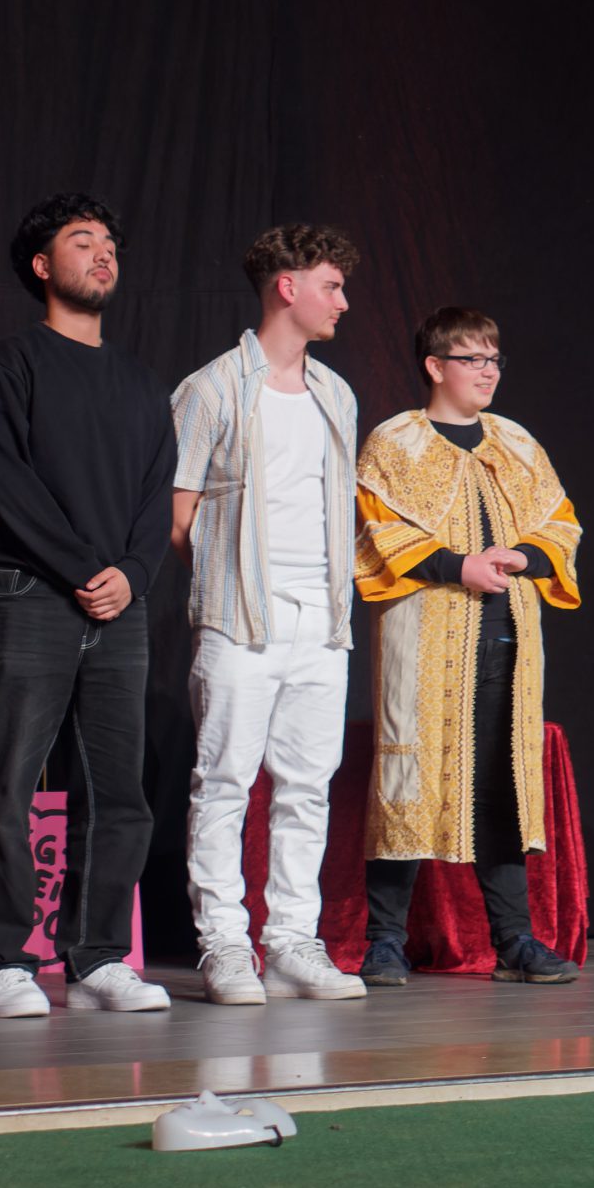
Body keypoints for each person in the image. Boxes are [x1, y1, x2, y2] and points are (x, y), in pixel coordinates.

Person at [0, 192, 175, 1017]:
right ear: (43, 265)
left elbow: (156, 495)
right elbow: (5, 485)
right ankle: (2, 960)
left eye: (110, 241)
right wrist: (87, 568)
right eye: (83, 241)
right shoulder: (6, 366)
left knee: (118, 792)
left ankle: (99, 957)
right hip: (29, 593)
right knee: (7, 782)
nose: (103, 252)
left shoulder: (142, 383)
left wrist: (134, 573)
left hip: (119, 605)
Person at [354, 307, 582, 986]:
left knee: (501, 782)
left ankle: (515, 940)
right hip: (426, 634)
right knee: (407, 775)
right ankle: (384, 941)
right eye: (472, 359)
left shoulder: (516, 442)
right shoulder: (396, 441)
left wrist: (525, 556)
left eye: (493, 360)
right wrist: (460, 567)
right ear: (435, 366)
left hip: (508, 638)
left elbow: (561, 521)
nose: (488, 372)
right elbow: (377, 528)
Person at [170, 225, 366, 1005]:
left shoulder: (336, 394)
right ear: (289, 287)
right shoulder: (212, 388)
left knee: (307, 787)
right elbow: (178, 517)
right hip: (241, 621)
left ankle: (290, 942)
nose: (342, 302)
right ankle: (224, 942)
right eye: (332, 286)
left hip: (323, 622)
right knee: (224, 782)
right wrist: (232, 585)